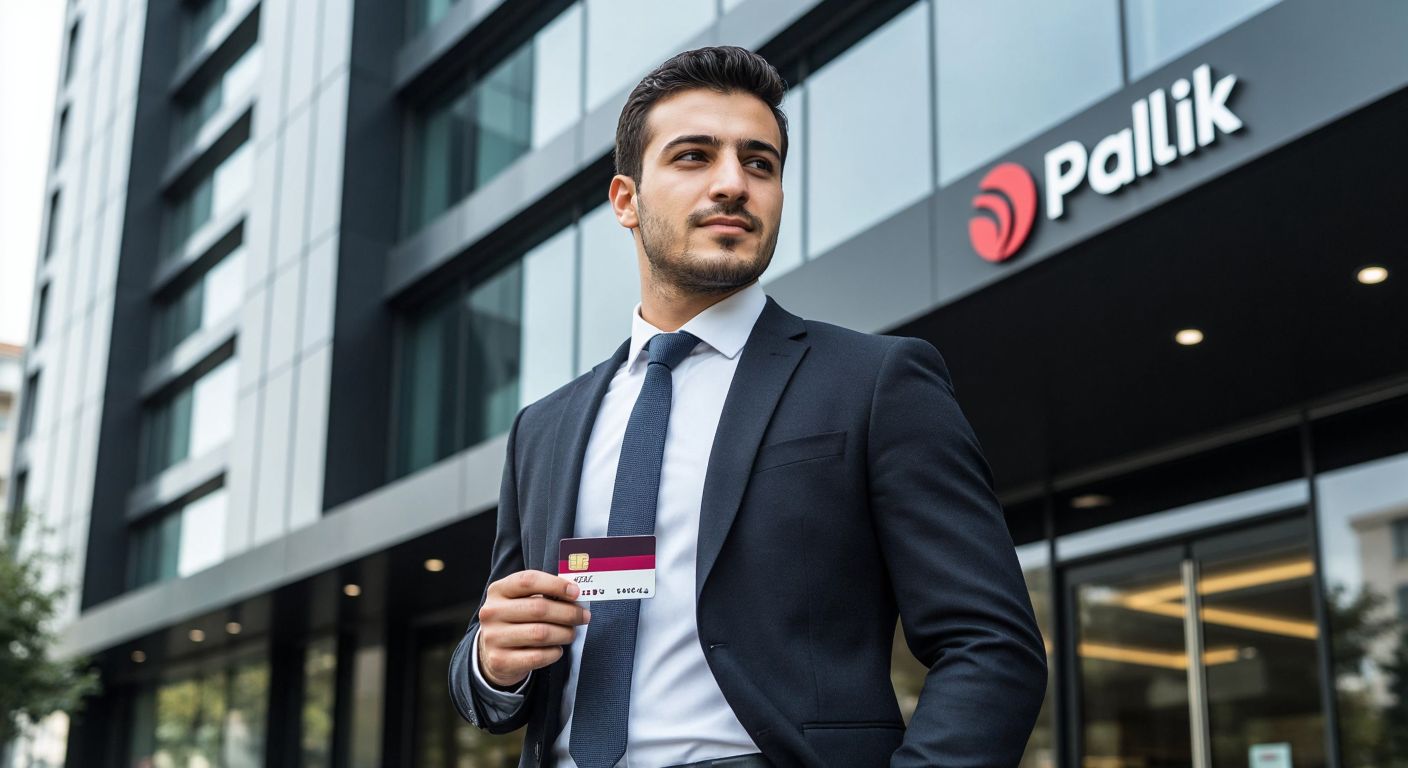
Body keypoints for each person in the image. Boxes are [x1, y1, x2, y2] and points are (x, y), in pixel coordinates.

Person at [448, 46, 1047, 768]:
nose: (733, 183)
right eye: (694, 157)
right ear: (626, 201)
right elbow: (489, 664)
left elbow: (991, 645)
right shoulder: (541, 431)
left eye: (759, 163)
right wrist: (489, 661)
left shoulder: (877, 382)